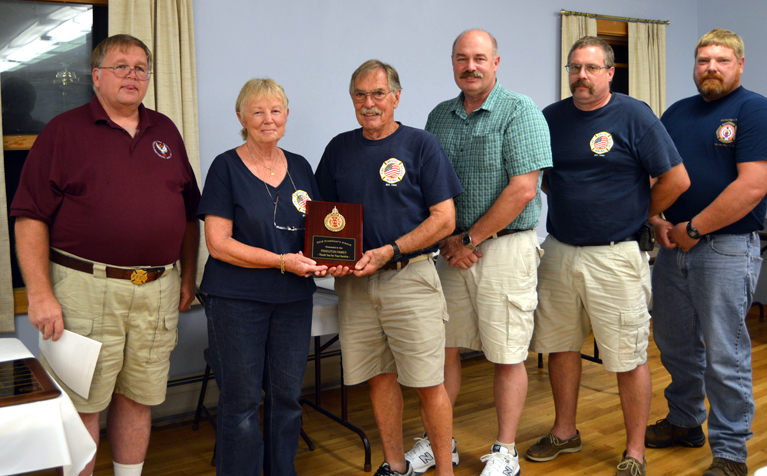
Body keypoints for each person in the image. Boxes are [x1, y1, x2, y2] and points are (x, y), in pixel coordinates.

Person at [11, 34, 200, 476]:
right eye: (121, 66)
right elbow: (29, 216)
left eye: (140, 68)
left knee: (139, 397)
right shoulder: (63, 132)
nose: (132, 75)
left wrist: (188, 277)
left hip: (157, 291)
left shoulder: (165, 131)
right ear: (96, 77)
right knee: (83, 403)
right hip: (85, 290)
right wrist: (39, 294)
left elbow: (190, 214)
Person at [525, 36, 690, 476]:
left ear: (609, 72)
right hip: (559, 251)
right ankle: (565, 432)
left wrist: (640, 212)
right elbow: (545, 180)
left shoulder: (634, 115)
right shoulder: (551, 118)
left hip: (616, 257)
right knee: (560, 347)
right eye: (574, 67)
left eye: (591, 68)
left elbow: (676, 179)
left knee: (627, 355)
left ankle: (634, 451)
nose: (581, 76)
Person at [647, 28, 767, 476]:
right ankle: (685, 421)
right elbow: (654, 174)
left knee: (726, 354)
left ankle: (729, 453)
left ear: (740, 65)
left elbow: (751, 187)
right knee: (674, 345)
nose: (711, 68)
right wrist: (659, 220)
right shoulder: (676, 113)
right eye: (703, 59)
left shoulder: (755, 110)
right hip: (672, 247)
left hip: (724, 249)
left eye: (722, 60)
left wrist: (696, 227)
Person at [414, 29, 552, 476]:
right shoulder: (439, 116)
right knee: (445, 350)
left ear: (496, 62)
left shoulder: (520, 110)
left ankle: (505, 450)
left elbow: (523, 189)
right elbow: (427, 188)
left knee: (507, 353)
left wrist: (470, 240)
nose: (469, 66)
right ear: (452, 63)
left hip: (504, 249)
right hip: (450, 253)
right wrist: (446, 241)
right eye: (461, 58)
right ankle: (441, 443)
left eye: (479, 58)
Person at [315, 59, 463, 476]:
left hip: (410, 279)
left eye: (378, 93)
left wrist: (389, 250)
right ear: (351, 99)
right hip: (357, 288)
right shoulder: (339, 149)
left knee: (427, 383)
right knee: (378, 378)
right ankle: (395, 465)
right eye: (360, 95)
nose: (369, 103)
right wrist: (334, 260)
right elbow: (325, 218)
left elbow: (444, 219)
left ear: (396, 97)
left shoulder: (421, 145)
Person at [197, 78, 327, 476]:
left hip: (292, 301)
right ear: (242, 118)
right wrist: (281, 261)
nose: (267, 119)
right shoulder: (225, 167)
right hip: (236, 300)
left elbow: (320, 233)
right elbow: (218, 244)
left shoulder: (301, 166)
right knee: (241, 401)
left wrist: (329, 258)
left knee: (287, 397)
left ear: (286, 116)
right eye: (257, 111)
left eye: (275, 110)